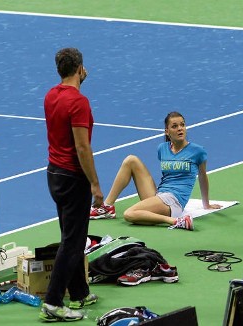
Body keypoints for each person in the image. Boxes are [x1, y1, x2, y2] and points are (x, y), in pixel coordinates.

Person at [40, 47, 104, 322]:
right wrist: (95, 184)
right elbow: (82, 147)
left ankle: (79, 292)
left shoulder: (51, 96)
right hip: (73, 177)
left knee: (71, 236)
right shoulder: (79, 102)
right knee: (74, 242)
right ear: (80, 69)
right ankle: (53, 302)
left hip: (54, 174)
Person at [89, 111, 221, 230]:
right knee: (131, 160)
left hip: (175, 201)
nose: (180, 129)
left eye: (182, 125)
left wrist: (206, 204)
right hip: (159, 195)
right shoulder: (162, 149)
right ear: (167, 132)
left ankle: (176, 221)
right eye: (175, 126)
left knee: (129, 214)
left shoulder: (198, 151)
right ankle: (107, 207)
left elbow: (203, 176)